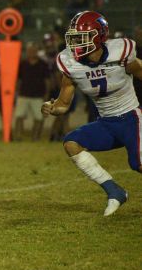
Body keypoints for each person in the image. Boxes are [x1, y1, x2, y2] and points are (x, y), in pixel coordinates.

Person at [42, 11, 142, 216]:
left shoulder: (120, 52)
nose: (75, 43)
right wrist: (52, 108)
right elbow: (63, 104)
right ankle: (115, 192)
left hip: (132, 117)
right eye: (74, 38)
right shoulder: (70, 63)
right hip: (106, 123)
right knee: (71, 143)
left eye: (81, 37)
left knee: (138, 163)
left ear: (99, 36)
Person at [14, 42, 51, 141]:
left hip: (38, 95)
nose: (32, 52)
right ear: (27, 52)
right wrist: (16, 92)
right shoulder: (22, 64)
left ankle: (35, 137)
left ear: (37, 51)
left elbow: (47, 80)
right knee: (19, 116)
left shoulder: (43, 64)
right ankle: (18, 137)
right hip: (23, 94)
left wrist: (46, 93)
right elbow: (18, 80)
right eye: (30, 51)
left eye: (34, 51)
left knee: (39, 118)